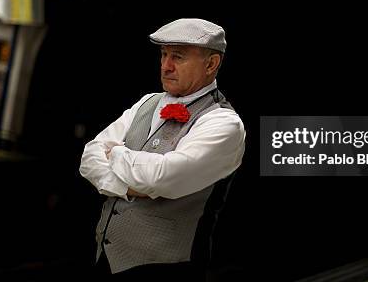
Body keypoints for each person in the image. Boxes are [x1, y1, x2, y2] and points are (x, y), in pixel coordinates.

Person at [79, 18, 246, 281]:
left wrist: (118, 153)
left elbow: (163, 177)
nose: (166, 66)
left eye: (178, 57)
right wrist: (130, 187)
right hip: (105, 257)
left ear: (211, 64)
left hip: (167, 269)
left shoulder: (224, 123)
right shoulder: (147, 102)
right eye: (163, 55)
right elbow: (89, 158)